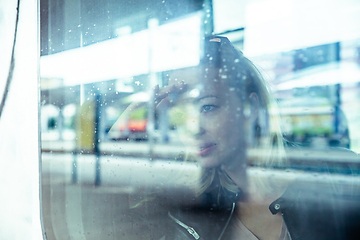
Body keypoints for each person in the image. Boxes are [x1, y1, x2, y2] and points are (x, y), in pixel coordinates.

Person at [153, 36, 359, 240]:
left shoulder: (341, 177)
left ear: (250, 108)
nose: (192, 128)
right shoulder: (185, 209)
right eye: (179, 113)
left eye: (207, 107)